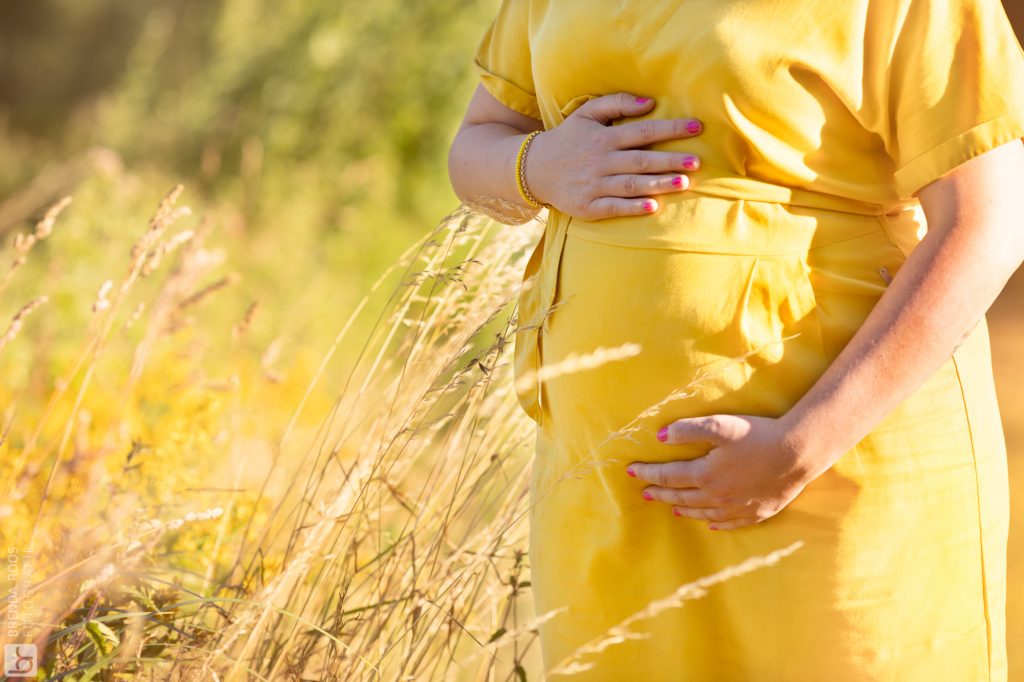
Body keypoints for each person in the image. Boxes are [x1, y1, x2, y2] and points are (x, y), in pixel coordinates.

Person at [447, 0, 1024, 679]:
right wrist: (537, 164)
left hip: (831, 469)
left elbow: (991, 221)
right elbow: (476, 145)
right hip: (600, 486)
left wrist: (799, 448)